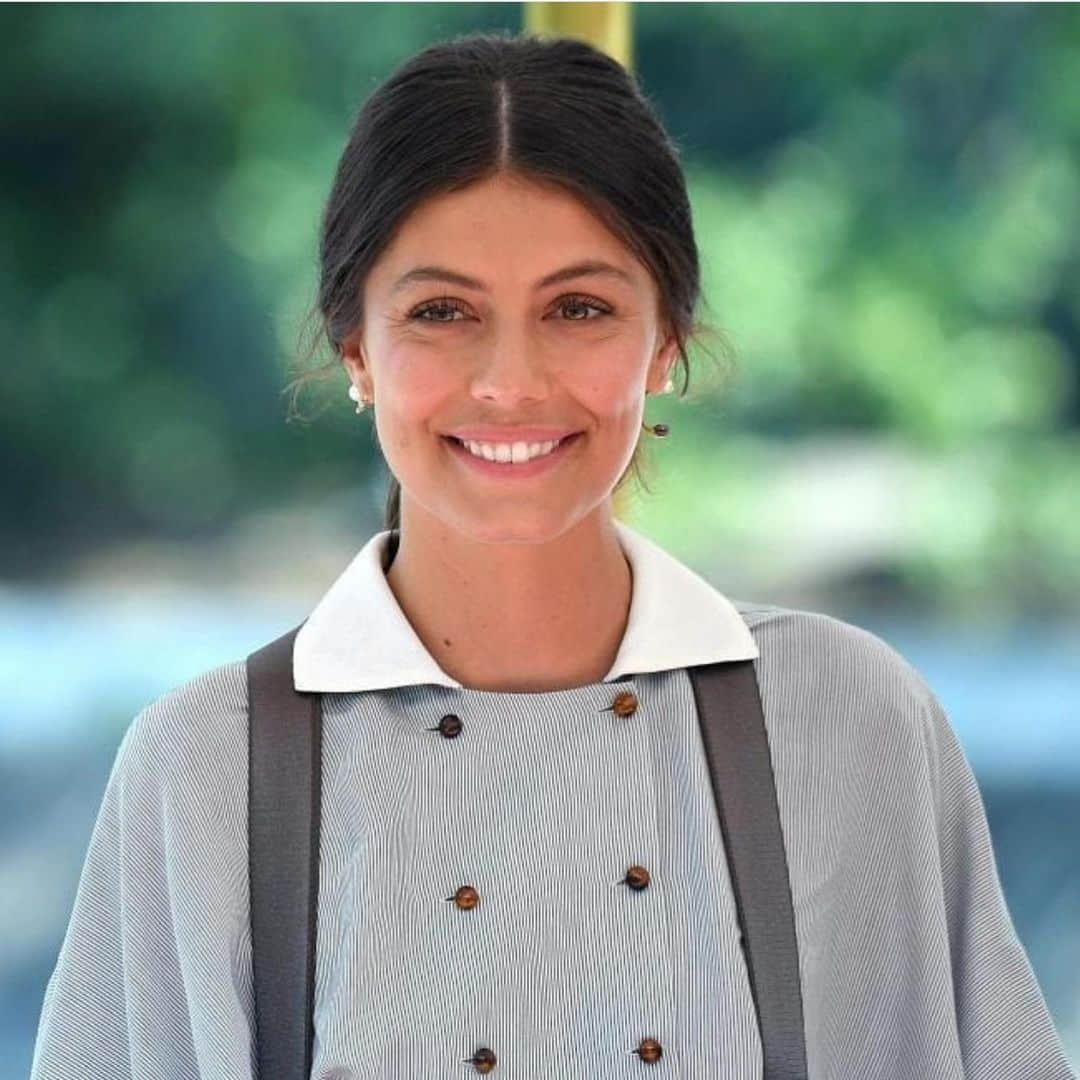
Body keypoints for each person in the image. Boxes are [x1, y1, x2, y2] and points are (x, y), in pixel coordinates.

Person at [30, 29, 1076, 1080]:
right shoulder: (205, 769)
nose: (511, 383)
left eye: (579, 309)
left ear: (664, 340)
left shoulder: (850, 723)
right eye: (443, 312)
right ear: (357, 348)